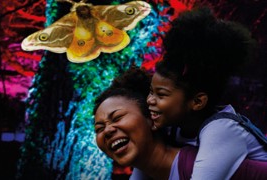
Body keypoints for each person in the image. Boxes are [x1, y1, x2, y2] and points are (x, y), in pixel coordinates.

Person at [146, 7, 267, 180]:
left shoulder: (222, 129)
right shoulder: (172, 129)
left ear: (197, 102)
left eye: (161, 94)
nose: (150, 100)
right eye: (150, 92)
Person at [93, 67, 267, 180]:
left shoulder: (209, 149)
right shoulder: (148, 169)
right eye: (99, 128)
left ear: (152, 120)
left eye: (117, 118)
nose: (107, 130)